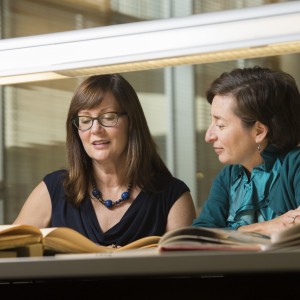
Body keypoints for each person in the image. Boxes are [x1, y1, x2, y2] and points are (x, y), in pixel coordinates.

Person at [14, 73, 196, 247]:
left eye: (108, 117)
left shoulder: (173, 197)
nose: (95, 129)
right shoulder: (52, 190)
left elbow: (183, 276)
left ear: (132, 122)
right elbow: (9, 251)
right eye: (85, 120)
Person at [192, 66, 300, 236]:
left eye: (220, 125)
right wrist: (262, 227)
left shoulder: (295, 165)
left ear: (259, 131)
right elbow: (197, 234)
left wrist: (227, 232)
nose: (208, 136)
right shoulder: (228, 177)